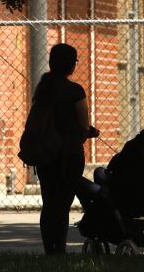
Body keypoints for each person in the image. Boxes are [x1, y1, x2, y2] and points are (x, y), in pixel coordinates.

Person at [32, 42, 100, 254]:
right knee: (62, 205)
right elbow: (82, 126)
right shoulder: (75, 91)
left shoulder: (43, 88)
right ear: (71, 65)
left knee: (49, 202)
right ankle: (59, 250)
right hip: (68, 155)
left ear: (52, 63)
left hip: (45, 154)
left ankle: (49, 251)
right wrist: (89, 133)